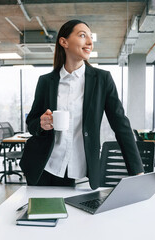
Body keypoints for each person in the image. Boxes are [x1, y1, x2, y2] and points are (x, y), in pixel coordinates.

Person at [20, 19, 144, 190]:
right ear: (64, 42)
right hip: (43, 166)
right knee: (42, 215)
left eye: (91, 37)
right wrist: (41, 124)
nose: (89, 42)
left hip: (79, 170)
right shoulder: (46, 81)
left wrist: (138, 174)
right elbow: (32, 123)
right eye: (82, 35)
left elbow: (121, 125)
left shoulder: (102, 80)